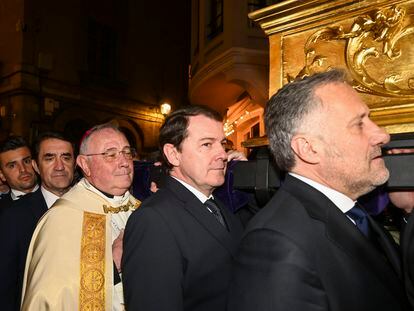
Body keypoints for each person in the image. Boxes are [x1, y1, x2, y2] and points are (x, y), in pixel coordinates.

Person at [227, 69, 409, 311]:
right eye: (358, 124)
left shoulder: (352, 210)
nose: (382, 135)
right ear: (309, 149)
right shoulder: (276, 245)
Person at [122, 105, 244, 311]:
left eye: (222, 144)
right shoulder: (153, 220)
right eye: (207, 144)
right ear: (173, 154)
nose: (222, 154)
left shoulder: (218, 206)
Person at [21, 123, 141, 310]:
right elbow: (52, 297)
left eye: (127, 152)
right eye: (110, 154)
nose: (124, 161)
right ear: (85, 164)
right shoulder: (62, 217)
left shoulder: (143, 210)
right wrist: (112, 264)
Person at [0, 131, 75, 311]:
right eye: (49, 158)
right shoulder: (12, 217)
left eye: (66, 157)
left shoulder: (92, 205)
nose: (59, 166)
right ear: (37, 165)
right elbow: (6, 287)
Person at [0, 136, 38, 209]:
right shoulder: (2, 211)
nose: (23, 169)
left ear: (35, 163)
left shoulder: (57, 198)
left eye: (27, 161)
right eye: (12, 166)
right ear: (2, 175)